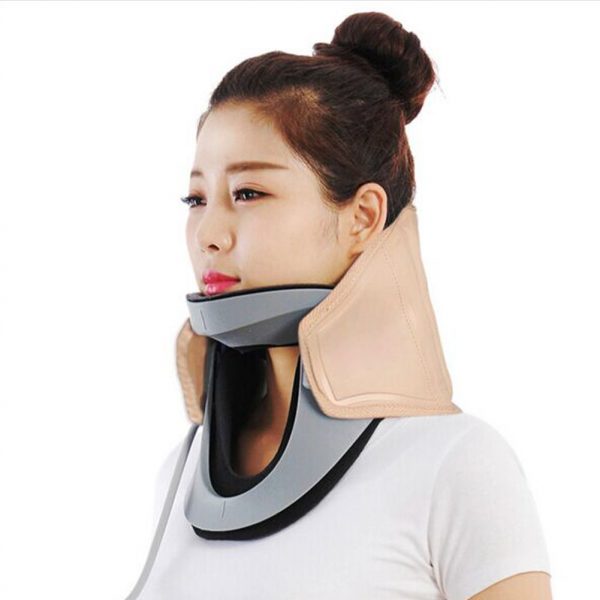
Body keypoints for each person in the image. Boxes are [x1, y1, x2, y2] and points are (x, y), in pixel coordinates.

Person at [126, 11, 553, 600]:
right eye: (196, 198)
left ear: (363, 217)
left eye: (248, 192)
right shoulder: (179, 476)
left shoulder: (456, 465)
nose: (208, 235)